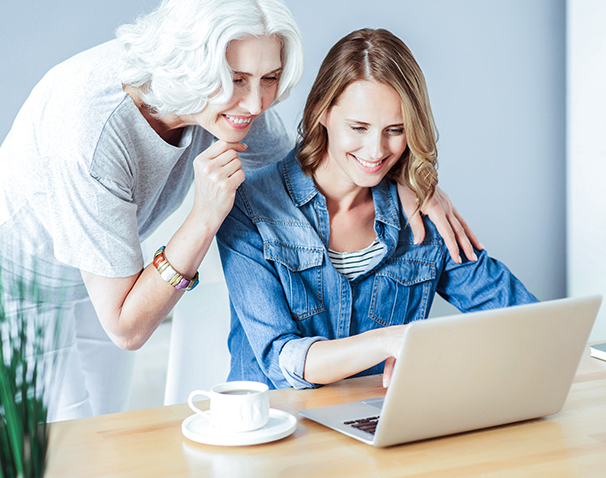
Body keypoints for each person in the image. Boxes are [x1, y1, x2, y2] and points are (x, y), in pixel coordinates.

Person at [0, 0, 475, 421]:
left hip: (107, 269)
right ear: (193, 64)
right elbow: (127, 327)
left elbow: (303, 168)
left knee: (102, 428)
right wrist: (203, 218)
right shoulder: (89, 135)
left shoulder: (228, 99)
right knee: (57, 440)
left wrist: (409, 182)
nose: (255, 102)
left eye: (269, 78)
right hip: (20, 281)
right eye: (237, 79)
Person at [216, 28, 538, 391]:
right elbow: (279, 358)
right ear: (322, 111)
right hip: (278, 428)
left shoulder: (420, 213)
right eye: (359, 127)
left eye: (395, 130)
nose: (375, 150)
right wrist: (390, 341)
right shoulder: (248, 206)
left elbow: (523, 320)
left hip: (380, 428)